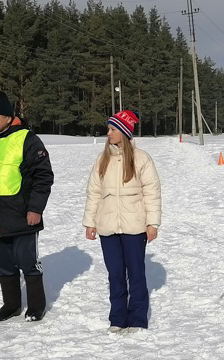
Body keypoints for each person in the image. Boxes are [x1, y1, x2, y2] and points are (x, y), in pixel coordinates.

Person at [0, 91, 54, 322]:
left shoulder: (27, 139)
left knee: (28, 263)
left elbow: (43, 176)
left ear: (8, 117)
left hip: (22, 216)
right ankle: (12, 305)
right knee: (3, 265)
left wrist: (35, 209)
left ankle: (36, 306)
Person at [82, 110, 161, 334]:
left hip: (134, 226)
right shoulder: (102, 159)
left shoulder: (141, 158)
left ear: (124, 132)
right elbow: (94, 192)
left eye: (112, 129)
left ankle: (137, 318)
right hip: (108, 227)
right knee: (115, 274)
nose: (108, 134)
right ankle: (117, 318)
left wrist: (152, 223)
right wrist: (90, 222)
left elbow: (152, 192)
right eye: (108, 129)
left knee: (135, 273)